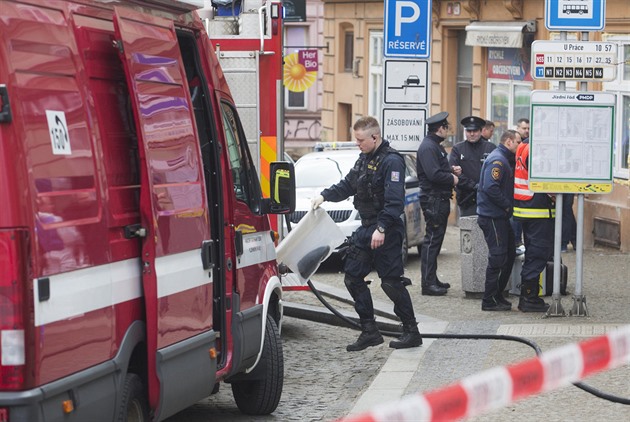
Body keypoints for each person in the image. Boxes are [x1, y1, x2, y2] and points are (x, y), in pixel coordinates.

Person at [311, 116, 422, 351]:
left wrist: (381, 228)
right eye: (356, 139)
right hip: (367, 228)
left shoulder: (392, 161)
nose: (357, 144)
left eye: (360, 140)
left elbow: (394, 201)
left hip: (387, 230)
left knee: (391, 282)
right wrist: (323, 196)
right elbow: (347, 185)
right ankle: (370, 331)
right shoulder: (364, 159)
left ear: (375, 137)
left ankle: (411, 331)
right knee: (352, 276)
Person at [416, 111, 459, 296]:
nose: (448, 131)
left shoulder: (434, 145)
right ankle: (427, 283)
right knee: (432, 241)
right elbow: (433, 175)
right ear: (440, 128)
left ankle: (432, 279)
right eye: (446, 128)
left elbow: (435, 169)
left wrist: (450, 169)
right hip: (433, 198)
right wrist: (452, 178)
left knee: (436, 240)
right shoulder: (428, 147)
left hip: (438, 198)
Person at [477, 130, 519, 311]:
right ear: (509, 141)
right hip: (492, 216)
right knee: (498, 257)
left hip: (499, 216)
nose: (519, 145)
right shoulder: (498, 161)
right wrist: (507, 205)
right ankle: (489, 300)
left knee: (509, 254)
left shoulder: (502, 158)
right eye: (517, 141)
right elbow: (490, 187)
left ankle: (497, 295)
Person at [513, 135, 553, 312]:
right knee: (537, 253)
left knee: (533, 252)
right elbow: (543, 180)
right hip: (536, 209)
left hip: (527, 206)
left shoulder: (523, 145)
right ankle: (528, 298)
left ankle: (530, 296)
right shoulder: (535, 149)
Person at [448, 116, 496, 217]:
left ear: (481, 131)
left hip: (487, 198)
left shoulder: (490, 148)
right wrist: (473, 186)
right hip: (467, 199)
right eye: (469, 131)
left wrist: (483, 187)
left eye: (475, 131)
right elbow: (454, 173)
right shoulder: (458, 149)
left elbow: (495, 172)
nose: (472, 134)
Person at [512, 117, 530, 254]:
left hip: (523, 194)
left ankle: (519, 243)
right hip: (523, 195)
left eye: (529, 128)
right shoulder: (521, 147)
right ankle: (517, 242)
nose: (527, 131)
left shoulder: (522, 147)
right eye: (524, 128)